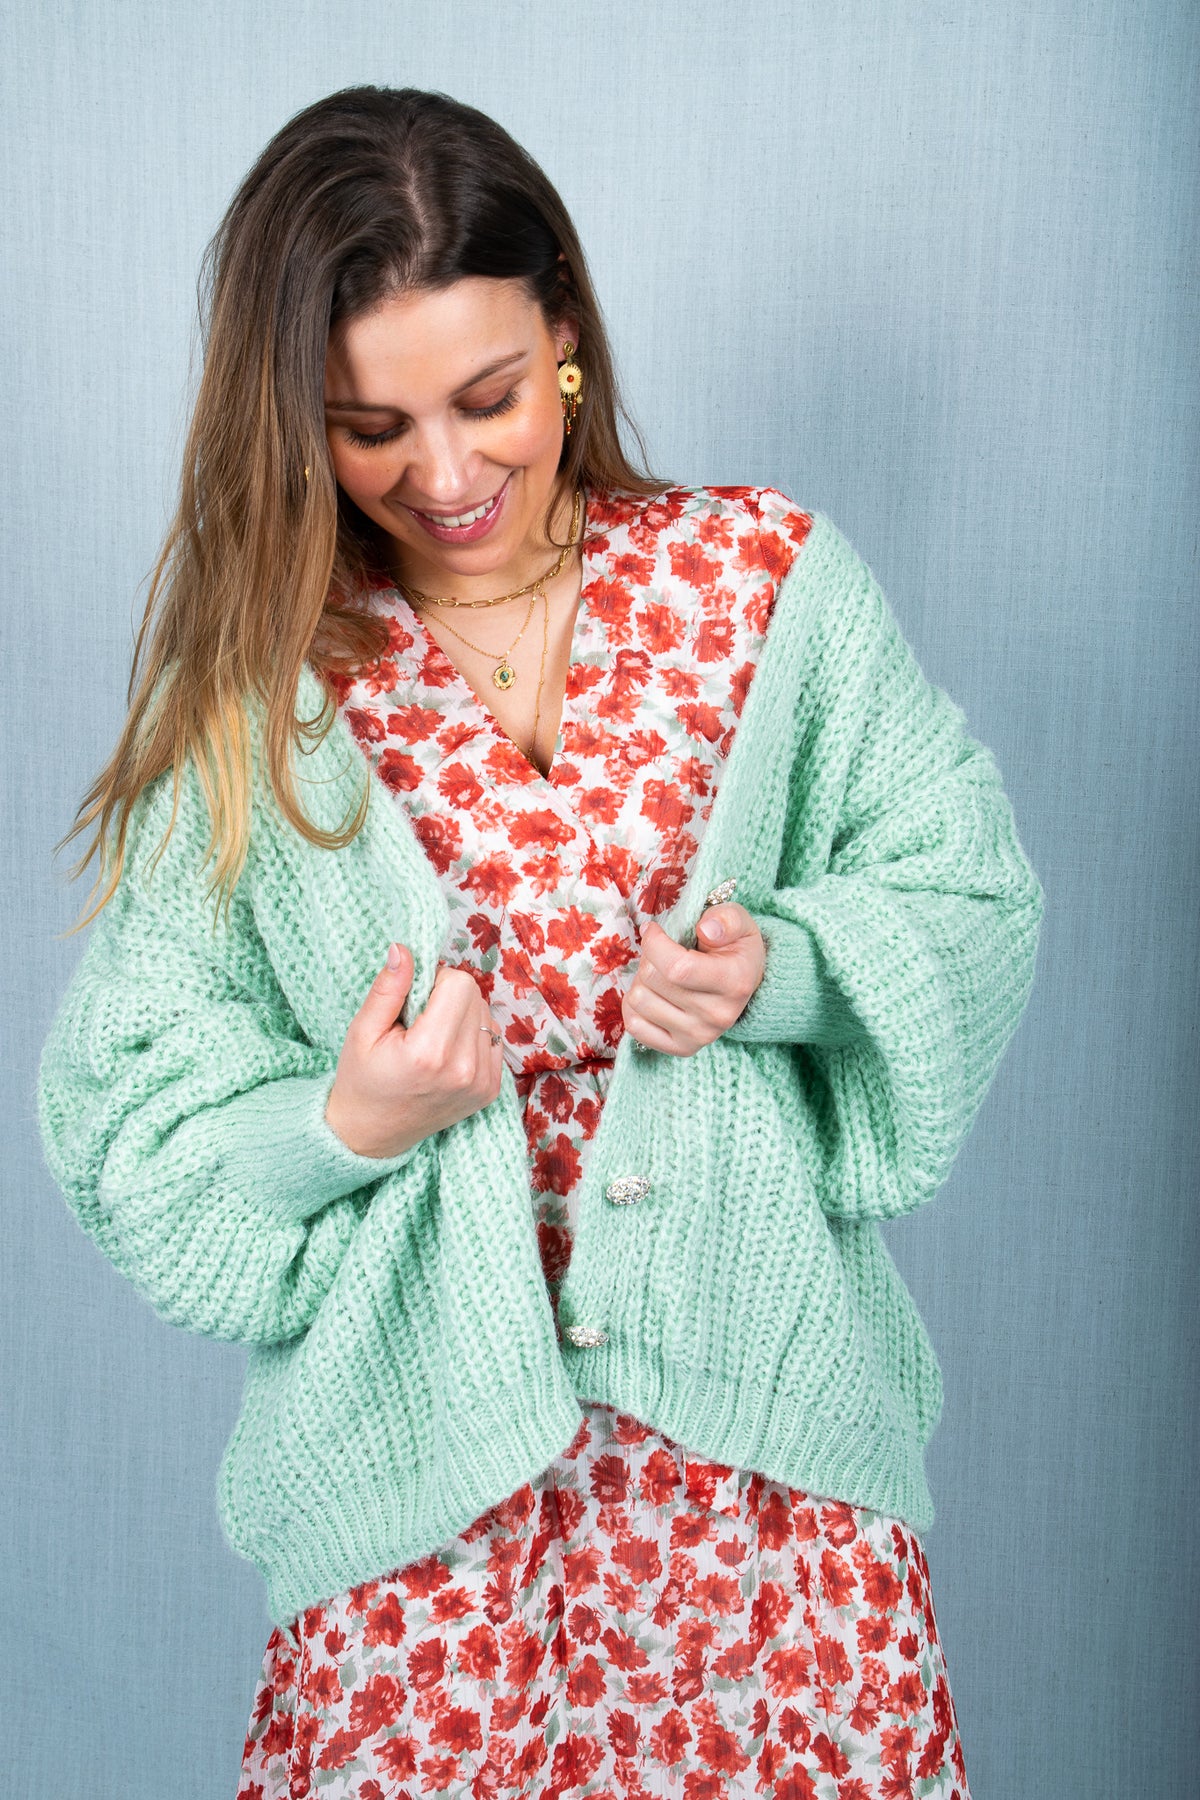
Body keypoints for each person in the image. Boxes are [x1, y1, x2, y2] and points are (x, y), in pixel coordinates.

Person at [37, 85, 1043, 1800]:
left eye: (488, 398)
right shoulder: (262, 698)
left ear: (564, 335)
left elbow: (966, 892)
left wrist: (784, 970)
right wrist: (347, 1122)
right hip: (425, 1528)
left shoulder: (766, 583)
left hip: (767, 1499)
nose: (443, 476)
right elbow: (124, 1122)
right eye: (369, 427)